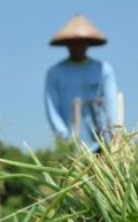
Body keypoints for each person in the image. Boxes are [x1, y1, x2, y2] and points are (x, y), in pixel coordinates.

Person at [44, 14, 119, 152]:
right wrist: (64, 136)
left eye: (81, 42)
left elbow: (111, 103)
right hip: (70, 143)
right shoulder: (55, 73)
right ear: (67, 44)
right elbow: (51, 107)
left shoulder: (103, 69)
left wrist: (114, 134)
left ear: (88, 43)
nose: (77, 46)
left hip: (100, 140)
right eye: (73, 42)